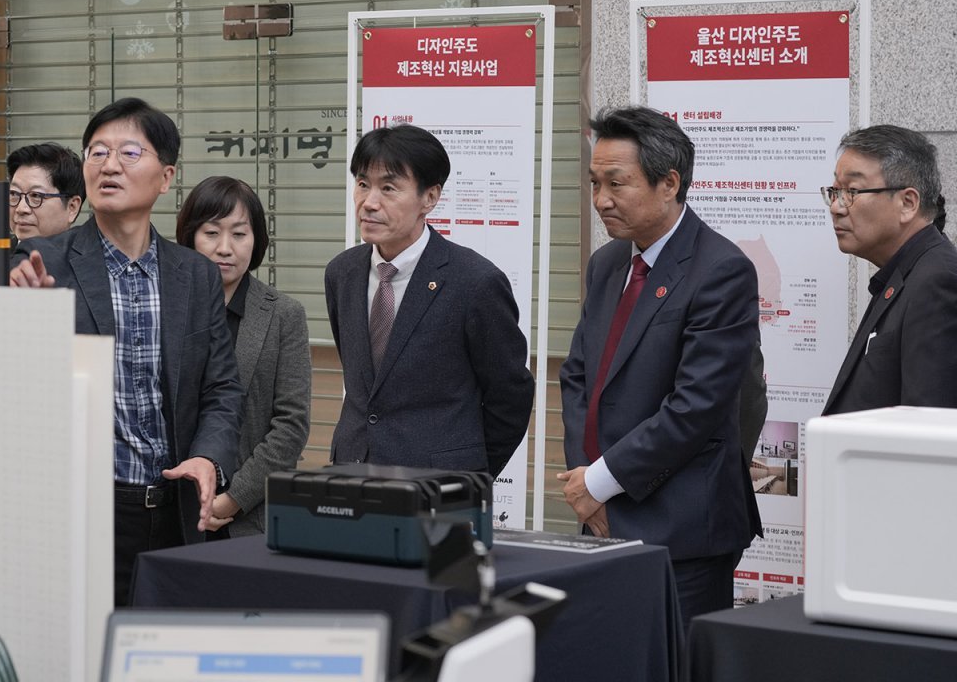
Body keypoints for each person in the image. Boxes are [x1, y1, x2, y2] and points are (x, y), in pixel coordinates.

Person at [9, 97, 242, 606]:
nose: (109, 164)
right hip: (85, 510)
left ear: (166, 176)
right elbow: (12, 391)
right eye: (97, 152)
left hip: (177, 512)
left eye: (129, 152)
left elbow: (222, 387)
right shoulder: (40, 262)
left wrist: (208, 457)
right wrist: (21, 320)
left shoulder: (196, 274)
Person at [557, 106, 761, 633]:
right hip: (600, 514)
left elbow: (696, 408)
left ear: (669, 183)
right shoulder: (607, 264)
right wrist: (587, 485)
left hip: (681, 529)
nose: (601, 199)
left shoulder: (721, 270)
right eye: (595, 182)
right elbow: (579, 377)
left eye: (617, 183)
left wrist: (599, 482)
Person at [324, 124, 534, 478]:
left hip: (439, 487)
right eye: (363, 184)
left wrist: (466, 475)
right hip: (352, 474)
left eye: (388, 188)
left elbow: (510, 396)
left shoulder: (475, 282)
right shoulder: (342, 273)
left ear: (430, 198)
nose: (369, 202)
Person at [175, 176, 311, 537]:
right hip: (171, 509)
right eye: (211, 233)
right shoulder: (167, 309)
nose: (225, 248)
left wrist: (233, 498)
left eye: (239, 234)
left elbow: (291, 425)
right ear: (189, 237)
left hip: (249, 517)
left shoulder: (284, 314)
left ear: (257, 240)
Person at [821, 125, 957, 414]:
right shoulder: (904, 274)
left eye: (852, 191)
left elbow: (928, 430)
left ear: (908, 203)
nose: (836, 207)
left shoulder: (937, 283)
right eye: (835, 191)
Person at [6, 142, 85, 239]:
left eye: (36, 195)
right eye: (14, 194)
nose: (21, 209)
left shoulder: (95, 253)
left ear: (72, 207)